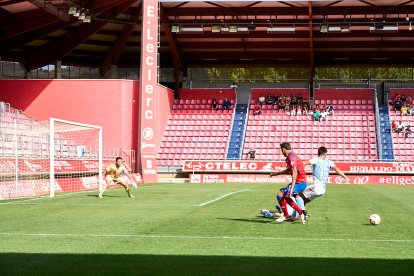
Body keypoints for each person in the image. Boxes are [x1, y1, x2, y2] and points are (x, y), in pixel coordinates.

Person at [269, 142, 308, 223]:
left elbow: (294, 172)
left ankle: (286, 215)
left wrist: (292, 188)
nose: (281, 152)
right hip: (299, 182)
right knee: (285, 196)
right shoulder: (289, 157)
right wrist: (276, 174)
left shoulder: (291, 157)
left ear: (283, 149)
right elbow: (289, 170)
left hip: (300, 183)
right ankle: (301, 212)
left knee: (280, 195)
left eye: (281, 150)